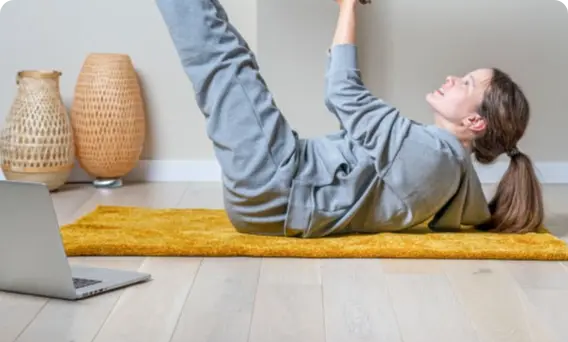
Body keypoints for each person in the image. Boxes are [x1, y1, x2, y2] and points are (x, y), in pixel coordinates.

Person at [155, 0, 544, 238]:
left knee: (220, 56)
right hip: (278, 191)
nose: (452, 78)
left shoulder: (433, 156)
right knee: (228, 52)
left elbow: (342, 93)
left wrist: (347, 8)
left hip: (276, 183)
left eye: (467, 83)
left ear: (476, 122)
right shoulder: (443, 166)